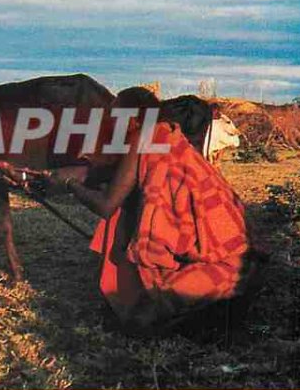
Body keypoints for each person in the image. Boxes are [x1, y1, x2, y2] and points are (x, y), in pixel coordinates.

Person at [40, 88, 262, 334]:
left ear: (133, 118)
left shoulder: (146, 137)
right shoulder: (170, 138)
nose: (111, 124)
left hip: (218, 260)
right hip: (242, 260)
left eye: (115, 117)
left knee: (139, 321)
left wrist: (69, 185)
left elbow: (106, 205)